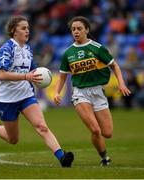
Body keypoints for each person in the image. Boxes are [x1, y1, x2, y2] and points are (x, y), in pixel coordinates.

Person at [0, 15, 74, 168]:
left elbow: (33, 70)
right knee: (13, 139)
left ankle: (62, 157)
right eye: (23, 28)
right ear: (13, 31)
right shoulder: (6, 48)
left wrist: (42, 77)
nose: (27, 31)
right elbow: (1, 74)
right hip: (7, 99)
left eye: (28, 28)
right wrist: (26, 76)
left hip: (26, 95)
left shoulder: (28, 49)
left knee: (42, 126)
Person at [53, 16, 131, 166]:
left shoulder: (97, 48)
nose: (76, 31)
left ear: (87, 30)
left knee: (107, 133)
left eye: (79, 29)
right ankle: (104, 158)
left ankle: (102, 151)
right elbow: (62, 77)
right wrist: (57, 93)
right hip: (80, 93)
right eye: (73, 29)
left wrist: (122, 84)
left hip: (98, 92)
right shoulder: (68, 53)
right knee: (95, 130)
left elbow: (114, 66)